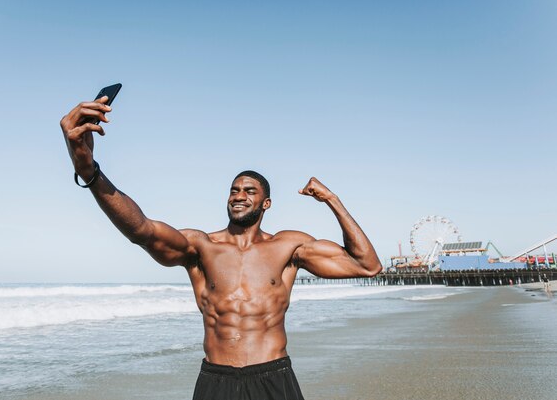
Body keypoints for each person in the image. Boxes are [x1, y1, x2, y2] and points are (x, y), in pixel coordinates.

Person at [60, 96, 382, 400]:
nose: (239, 195)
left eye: (249, 191)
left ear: (266, 203)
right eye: (234, 190)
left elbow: (367, 266)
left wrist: (332, 200)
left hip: (273, 374)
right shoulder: (201, 247)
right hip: (216, 378)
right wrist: (90, 172)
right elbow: (142, 230)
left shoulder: (289, 246)